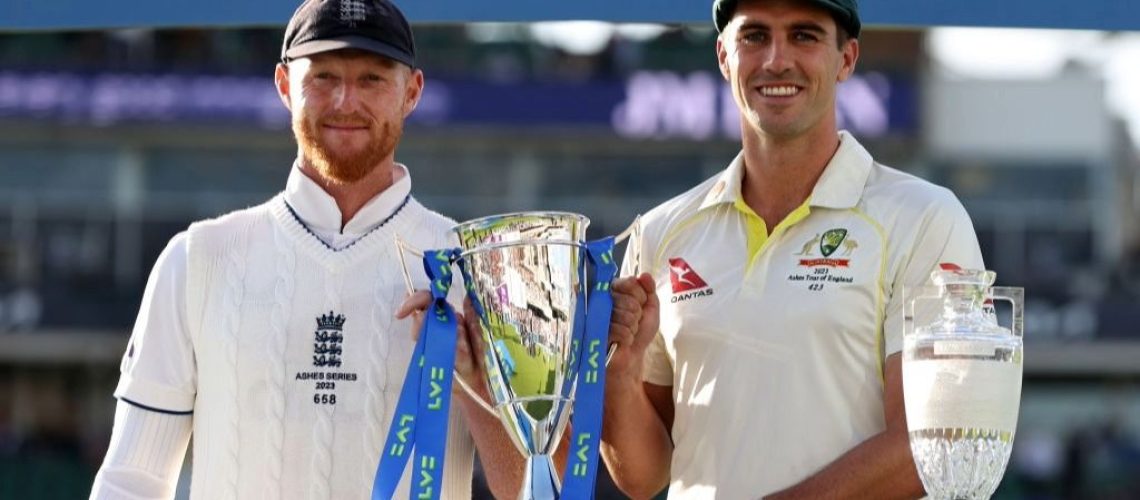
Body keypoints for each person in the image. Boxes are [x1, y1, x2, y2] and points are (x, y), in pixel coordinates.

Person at [89, 0, 522, 498]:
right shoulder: (196, 260)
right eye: (323, 77)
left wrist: (478, 384)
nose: (345, 101)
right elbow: (130, 480)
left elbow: (532, 490)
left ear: (412, 92)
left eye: (372, 80)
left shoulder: (476, 271)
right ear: (283, 85)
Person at [600, 0, 985, 498]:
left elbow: (931, 444)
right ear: (723, 56)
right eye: (755, 36)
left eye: (804, 36)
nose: (776, 60)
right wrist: (619, 377)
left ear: (846, 59)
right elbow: (643, 476)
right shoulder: (661, 231)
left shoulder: (925, 217)